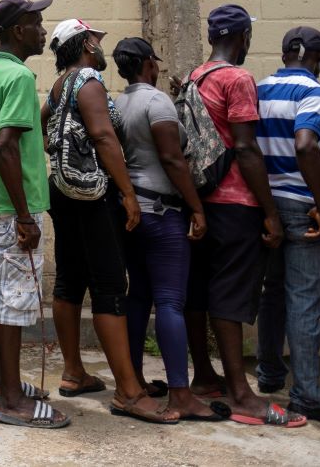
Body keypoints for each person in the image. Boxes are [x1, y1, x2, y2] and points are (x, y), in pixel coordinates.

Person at [42, 18, 178, 424]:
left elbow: (47, 125)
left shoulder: (60, 84)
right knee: (109, 287)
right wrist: (130, 193)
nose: (102, 47)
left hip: (63, 191)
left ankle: (73, 373)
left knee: (69, 279)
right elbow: (103, 136)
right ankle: (129, 392)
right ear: (85, 44)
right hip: (94, 195)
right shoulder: (88, 80)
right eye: (96, 40)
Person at [182, 4, 305, 428]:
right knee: (231, 296)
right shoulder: (237, 78)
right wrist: (270, 212)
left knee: (198, 292)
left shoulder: (196, 76)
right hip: (235, 204)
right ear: (242, 39)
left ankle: (204, 375)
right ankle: (240, 394)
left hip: (200, 202)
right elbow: (246, 148)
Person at [0, 0, 70, 430]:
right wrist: (26, 217)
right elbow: (5, 146)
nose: (43, 30)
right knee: (13, 300)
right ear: (17, 31)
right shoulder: (16, 78)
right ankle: (12, 400)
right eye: (37, 22)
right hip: (15, 209)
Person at [111, 37, 219, 421]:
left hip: (133, 210)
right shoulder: (157, 103)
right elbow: (173, 159)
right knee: (171, 301)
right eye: (154, 61)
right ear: (147, 64)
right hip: (162, 210)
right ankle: (180, 393)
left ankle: (135, 381)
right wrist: (196, 209)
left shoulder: (119, 102)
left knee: (138, 296)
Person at [254, 27, 320, 430]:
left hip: (265, 206)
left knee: (272, 293)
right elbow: (307, 145)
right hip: (302, 205)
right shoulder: (313, 92)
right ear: (313, 57)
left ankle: (270, 376)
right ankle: (307, 396)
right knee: (304, 300)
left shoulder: (259, 88)